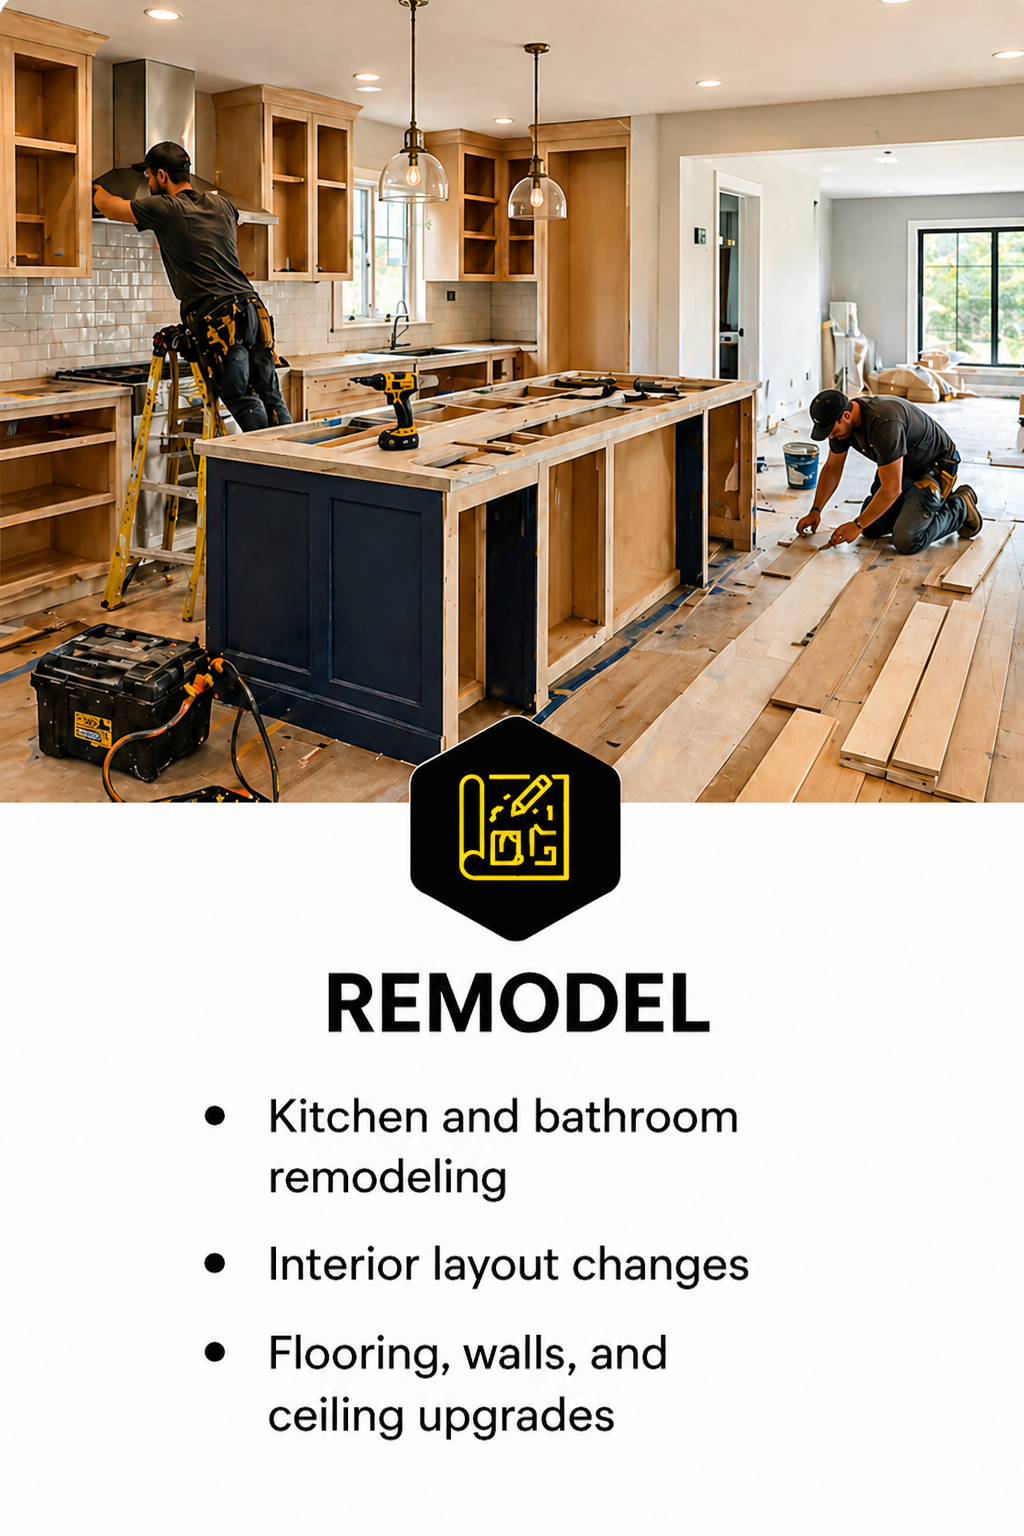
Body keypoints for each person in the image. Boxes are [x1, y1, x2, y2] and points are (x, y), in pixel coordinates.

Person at [92, 142, 291, 432]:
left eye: (147, 176)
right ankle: (294, 463)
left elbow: (110, 208)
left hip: (218, 316)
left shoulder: (165, 207)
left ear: (162, 175)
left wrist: (93, 188)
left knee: (242, 399)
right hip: (254, 312)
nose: (147, 183)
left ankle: (266, 471)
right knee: (271, 396)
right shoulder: (222, 204)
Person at [796, 389, 981, 552]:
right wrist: (816, 510)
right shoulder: (841, 427)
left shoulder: (884, 423)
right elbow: (832, 468)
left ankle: (960, 505)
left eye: (832, 430)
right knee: (871, 528)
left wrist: (856, 525)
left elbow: (891, 489)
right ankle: (914, 507)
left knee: (906, 540)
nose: (830, 436)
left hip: (933, 468)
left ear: (846, 415)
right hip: (901, 467)